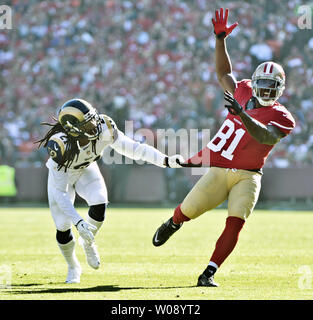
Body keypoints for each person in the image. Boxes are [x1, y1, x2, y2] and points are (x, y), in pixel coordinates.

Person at [152, 8, 296, 287]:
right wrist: (220, 40)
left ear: (280, 89)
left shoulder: (283, 116)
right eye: (262, 85)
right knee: (188, 210)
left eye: (271, 86)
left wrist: (242, 115)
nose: (265, 91)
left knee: (235, 221)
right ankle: (173, 222)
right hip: (220, 169)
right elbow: (223, 73)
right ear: (254, 84)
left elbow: (266, 137)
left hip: (249, 175)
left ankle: (209, 272)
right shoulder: (242, 90)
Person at [36, 98, 184, 283]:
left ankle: (88, 244)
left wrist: (166, 161)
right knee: (63, 226)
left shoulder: (104, 126)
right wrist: (79, 221)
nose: (95, 124)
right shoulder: (60, 145)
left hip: (86, 170)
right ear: (74, 129)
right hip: (62, 181)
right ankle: (73, 266)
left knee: (99, 203)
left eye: (93, 118)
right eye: (88, 123)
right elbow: (60, 192)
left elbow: (135, 149)